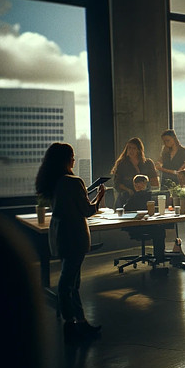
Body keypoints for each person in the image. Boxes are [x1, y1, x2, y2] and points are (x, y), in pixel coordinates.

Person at [36, 143, 106, 341]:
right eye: (72, 156)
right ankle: (71, 324)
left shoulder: (52, 181)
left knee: (72, 280)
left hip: (59, 235)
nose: (74, 160)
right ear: (66, 160)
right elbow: (87, 211)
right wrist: (99, 197)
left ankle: (80, 322)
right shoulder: (73, 181)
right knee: (69, 283)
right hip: (75, 236)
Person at [111, 137, 158, 208]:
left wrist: (145, 185)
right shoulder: (122, 164)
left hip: (144, 196)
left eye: (134, 148)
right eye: (129, 148)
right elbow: (117, 183)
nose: (131, 151)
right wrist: (128, 190)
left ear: (139, 150)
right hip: (127, 196)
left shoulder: (148, 163)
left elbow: (155, 182)